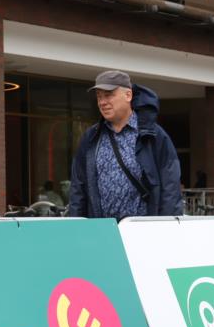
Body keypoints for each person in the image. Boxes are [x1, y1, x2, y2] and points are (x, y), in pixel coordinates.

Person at [68, 70, 182, 220]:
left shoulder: (153, 135)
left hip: (143, 233)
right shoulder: (91, 137)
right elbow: (78, 188)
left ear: (128, 95)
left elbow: (171, 187)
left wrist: (165, 227)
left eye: (108, 95)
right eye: (99, 97)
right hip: (104, 233)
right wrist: (78, 227)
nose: (102, 102)